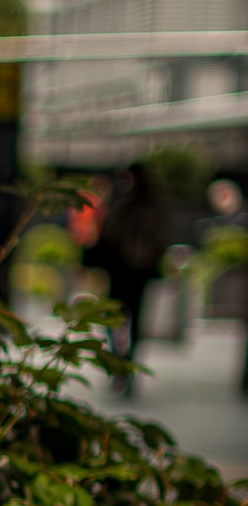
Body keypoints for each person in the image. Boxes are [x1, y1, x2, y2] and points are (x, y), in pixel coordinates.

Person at [86, 160, 173, 374]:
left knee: (132, 314)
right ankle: (121, 357)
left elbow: (158, 238)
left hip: (137, 267)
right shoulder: (121, 203)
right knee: (113, 314)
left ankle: (127, 358)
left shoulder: (149, 206)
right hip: (121, 266)